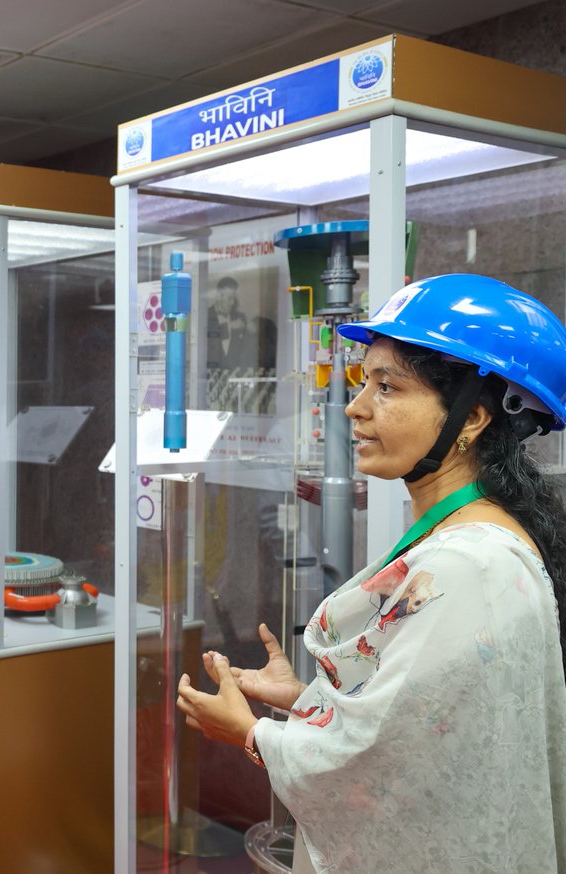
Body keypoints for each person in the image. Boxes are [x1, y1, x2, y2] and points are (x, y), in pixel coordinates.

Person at [177, 274, 566, 873]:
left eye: (388, 387)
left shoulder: (472, 565)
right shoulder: (461, 536)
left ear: (473, 418)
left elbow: (382, 763)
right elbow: (428, 721)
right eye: (364, 382)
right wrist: (308, 699)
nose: (356, 407)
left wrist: (251, 735)